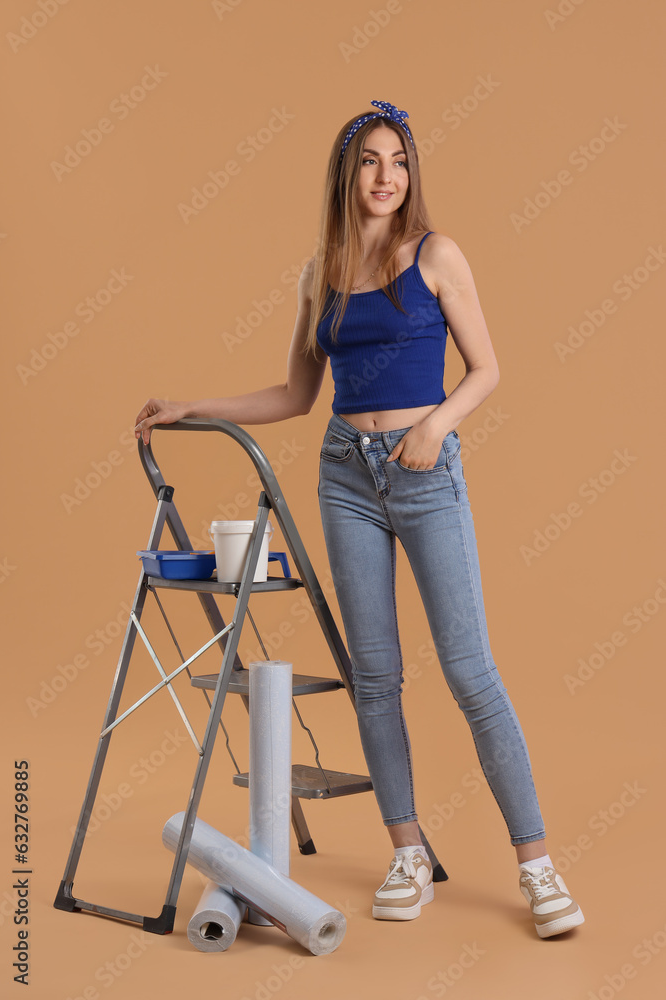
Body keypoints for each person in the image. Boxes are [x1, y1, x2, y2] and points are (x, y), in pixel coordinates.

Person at [135, 100, 585, 939]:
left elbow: (485, 369)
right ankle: (406, 850)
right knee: (374, 678)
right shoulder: (322, 271)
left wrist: (433, 426)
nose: (387, 176)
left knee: (469, 672)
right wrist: (193, 402)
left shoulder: (436, 255)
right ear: (348, 175)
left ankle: (537, 865)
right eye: (372, 161)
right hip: (344, 475)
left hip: (424, 473)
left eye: (399, 161)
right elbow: (298, 395)